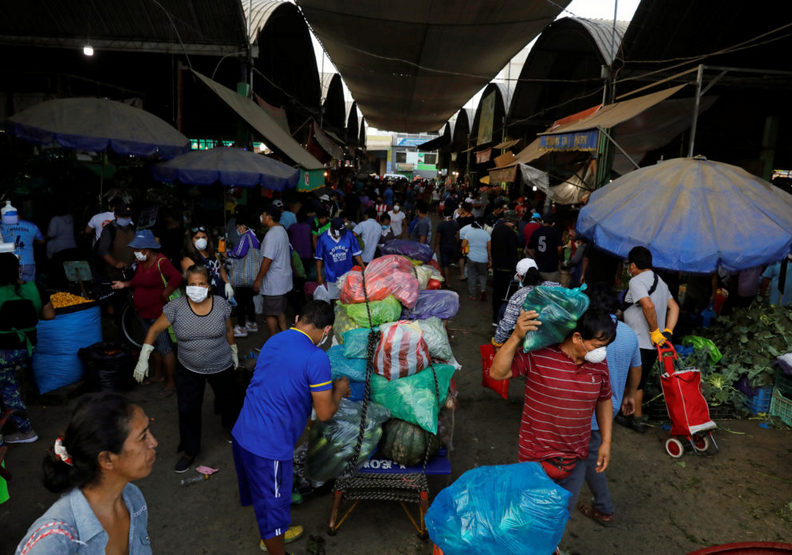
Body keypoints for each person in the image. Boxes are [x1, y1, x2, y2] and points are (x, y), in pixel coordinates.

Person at [232, 300, 350, 554]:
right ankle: (275, 545)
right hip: (269, 448)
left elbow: (282, 383)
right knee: (273, 511)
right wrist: (339, 390)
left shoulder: (275, 339)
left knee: (264, 500)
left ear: (297, 318)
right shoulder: (316, 357)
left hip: (243, 433)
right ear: (327, 330)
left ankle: (274, 532)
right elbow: (325, 412)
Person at [489, 309, 616, 504]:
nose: (602, 352)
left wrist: (606, 441)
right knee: (532, 519)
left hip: (576, 460)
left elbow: (604, 399)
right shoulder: (539, 353)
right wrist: (516, 336)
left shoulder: (598, 364)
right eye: (598, 345)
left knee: (560, 517)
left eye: (605, 347)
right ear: (576, 337)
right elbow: (497, 373)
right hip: (536, 460)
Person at [16, 392, 157, 554]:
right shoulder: (53, 542)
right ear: (106, 460)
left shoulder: (133, 498)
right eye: (143, 436)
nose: (154, 442)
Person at [135, 265, 240, 473]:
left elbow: (228, 329)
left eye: (201, 284)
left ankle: (233, 430)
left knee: (229, 401)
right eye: (192, 284)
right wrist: (144, 356)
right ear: (186, 287)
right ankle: (190, 451)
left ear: (208, 286)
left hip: (221, 364)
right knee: (188, 409)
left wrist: (234, 349)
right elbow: (155, 329)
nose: (197, 288)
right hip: (189, 367)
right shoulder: (176, 307)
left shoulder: (220, 304)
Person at [562, 285, 642, 524]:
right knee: (588, 454)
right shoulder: (629, 333)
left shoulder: (586, 333)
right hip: (613, 404)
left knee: (587, 459)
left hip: (591, 410)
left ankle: (603, 507)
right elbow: (636, 368)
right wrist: (630, 394)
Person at [111, 230, 181, 394]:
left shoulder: (161, 262)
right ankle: (158, 375)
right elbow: (137, 281)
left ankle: (171, 381)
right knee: (152, 346)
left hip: (159, 313)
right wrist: (124, 285)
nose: (135, 252)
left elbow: (176, 277)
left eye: (138, 249)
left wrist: (166, 293)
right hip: (143, 312)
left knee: (165, 348)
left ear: (147, 249)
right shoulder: (142, 263)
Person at [621, 246, 679, 432]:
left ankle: (632, 417)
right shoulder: (660, 281)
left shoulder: (637, 281)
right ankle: (633, 416)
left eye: (629, 266)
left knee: (633, 381)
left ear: (633, 265)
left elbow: (648, 305)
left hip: (639, 342)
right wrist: (666, 332)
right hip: (653, 345)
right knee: (640, 381)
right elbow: (674, 307)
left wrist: (654, 330)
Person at [0, 252, 55, 444]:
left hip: (4, 353)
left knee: (8, 389)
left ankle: (26, 431)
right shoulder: (34, 288)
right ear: (19, 269)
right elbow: (49, 316)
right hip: (27, 349)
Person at [492, 258, 561, 346]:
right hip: (556, 336)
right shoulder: (555, 286)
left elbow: (507, 324)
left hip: (532, 341)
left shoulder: (518, 297)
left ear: (520, 277)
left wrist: (497, 341)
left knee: (502, 310)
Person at [253, 203, 293, 338]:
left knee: (270, 314)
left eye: (263, 215)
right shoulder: (282, 230)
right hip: (283, 280)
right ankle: (285, 340)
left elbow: (267, 261)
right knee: (280, 312)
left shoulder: (271, 235)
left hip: (274, 283)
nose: (261, 218)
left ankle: (273, 344)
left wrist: (258, 281)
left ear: (268, 217)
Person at [227, 213, 260, 338]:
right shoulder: (255, 237)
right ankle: (252, 323)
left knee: (241, 301)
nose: (237, 230)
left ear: (242, 226)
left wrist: (228, 253)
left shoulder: (246, 237)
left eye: (238, 227)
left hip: (243, 276)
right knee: (249, 300)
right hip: (252, 275)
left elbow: (239, 252)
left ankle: (241, 327)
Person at [315, 218, 364, 300]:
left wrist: (363, 267)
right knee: (335, 299)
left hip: (347, 275)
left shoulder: (349, 235)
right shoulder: (323, 239)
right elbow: (319, 259)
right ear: (331, 228)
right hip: (332, 276)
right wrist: (319, 275)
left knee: (348, 298)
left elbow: (356, 254)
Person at [181, 226, 233, 302]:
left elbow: (220, 268)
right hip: (203, 296)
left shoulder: (212, 253)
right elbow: (193, 281)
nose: (201, 240)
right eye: (197, 238)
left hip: (219, 293)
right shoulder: (188, 259)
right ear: (192, 240)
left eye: (203, 237)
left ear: (208, 238)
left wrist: (227, 284)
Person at [490, 210, 521, 325]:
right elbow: (513, 253)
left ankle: (495, 318)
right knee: (506, 295)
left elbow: (492, 247)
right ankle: (502, 318)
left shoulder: (496, 230)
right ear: (513, 221)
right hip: (508, 269)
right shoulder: (511, 233)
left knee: (496, 293)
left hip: (497, 266)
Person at [1, 204, 44, 283]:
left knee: (10, 288)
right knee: (29, 286)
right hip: (28, 262)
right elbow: (41, 241)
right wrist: (29, 243)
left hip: (10, 263)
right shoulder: (32, 226)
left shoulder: (2, 225)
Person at [95, 202, 136, 280]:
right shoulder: (110, 229)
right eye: (123, 216)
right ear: (116, 216)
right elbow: (102, 250)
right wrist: (115, 263)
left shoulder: (132, 228)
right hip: (113, 273)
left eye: (128, 216)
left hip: (130, 272)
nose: (126, 218)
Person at [459, 218, 491, 301]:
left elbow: (463, 245)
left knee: (472, 276)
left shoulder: (469, 233)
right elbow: (489, 249)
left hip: (471, 258)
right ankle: (483, 290)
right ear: (482, 225)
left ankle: (473, 295)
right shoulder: (486, 234)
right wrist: (490, 259)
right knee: (483, 275)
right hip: (484, 259)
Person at [527, 214, 563, 283]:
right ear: (553, 223)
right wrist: (559, 258)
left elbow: (529, 249)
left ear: (543, 222)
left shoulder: (536, 232)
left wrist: (535, 257)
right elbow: (559, 249)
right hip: (552, 268)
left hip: (539, 267)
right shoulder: (555, 232)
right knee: (552, 291)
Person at [434, 206, 459, 283]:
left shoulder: (441, 224)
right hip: (453, 245)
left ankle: (447, 282)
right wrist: (456, 243)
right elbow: (458, 235)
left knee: (445, 264)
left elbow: (438, 236)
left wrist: (436, 246)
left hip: (444, 246)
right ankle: (447, 278)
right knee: (449, 262)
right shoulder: (455, 223)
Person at [289, 210, 314, 280]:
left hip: (296, 254)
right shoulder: (308, 227)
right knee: (306, 272)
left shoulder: (292, 227)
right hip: (307, 253)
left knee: (297, 272)